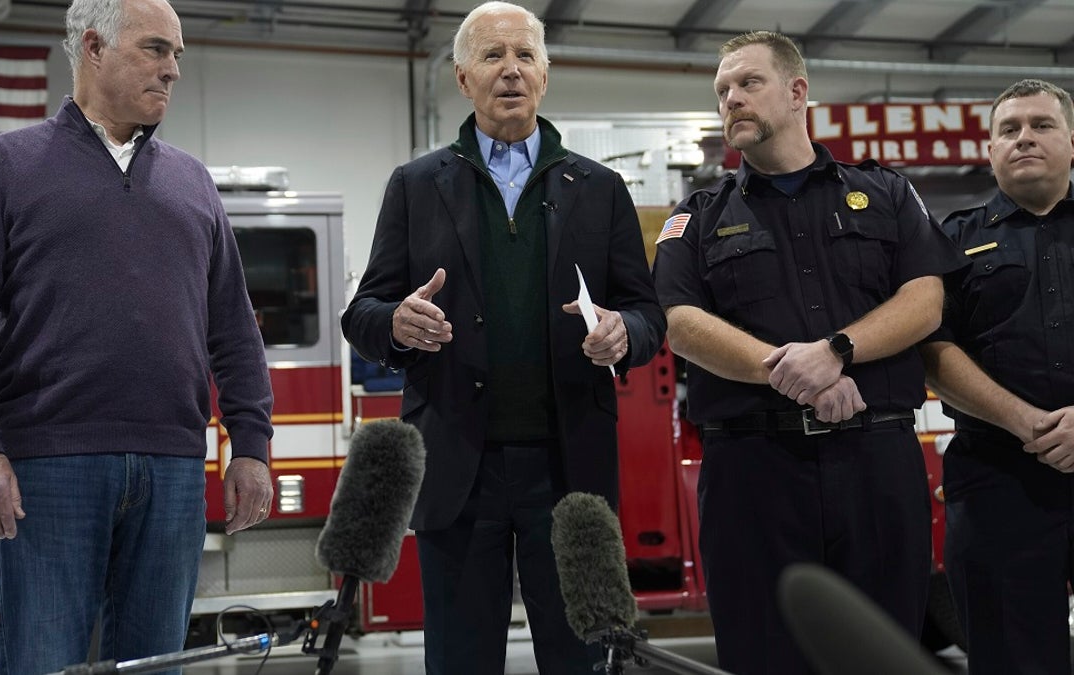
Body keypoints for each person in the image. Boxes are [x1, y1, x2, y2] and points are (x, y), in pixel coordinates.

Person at [0, 0, 275, 671]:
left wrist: (251, 442)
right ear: (93, 48)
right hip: (47, 468)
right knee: (44, 661)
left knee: (154, 664)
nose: (173, 71)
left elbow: (232, 325)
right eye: (156, 50)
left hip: (172, 471)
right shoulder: (6, 165)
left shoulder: (193, 182)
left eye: (178, 55)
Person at [341, 3, 665, 673]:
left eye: (525, 56)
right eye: (493, 56)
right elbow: (363, 313)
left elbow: (647, 313)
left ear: (545, 75)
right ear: (463, 78)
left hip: (569, 471)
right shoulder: (415, 186)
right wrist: (397, 322)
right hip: (459, 467)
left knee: (582, 657)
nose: (511, 70)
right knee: (460, 659)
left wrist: (621, 333)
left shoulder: (600, 189)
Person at [650, 31, 967, 674]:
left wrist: (837, 351)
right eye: (722, 92)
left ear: (797, 92)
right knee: (764, 652)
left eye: (747, 84)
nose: (731, 99)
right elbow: (680, 323)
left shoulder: (886, 194)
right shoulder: (697, 219)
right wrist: (797, 372)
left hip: (876, 460)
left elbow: (925, 299)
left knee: (883, 651)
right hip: (753, 470)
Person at [920, 79, 1074, 675]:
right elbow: (933, 350)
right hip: (996, 480)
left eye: (1040, 125)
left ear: (1070, 142)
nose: (1024, 138)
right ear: (989, 150)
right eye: (1008, 130)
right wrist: (1028, 423)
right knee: (1010, 658)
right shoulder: (949, 242)